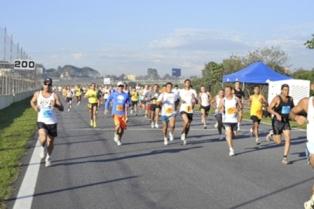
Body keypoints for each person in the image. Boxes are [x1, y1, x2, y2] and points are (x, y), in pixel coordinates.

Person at [30, 78, 64, 167]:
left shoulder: (54, 95)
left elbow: (62, 108)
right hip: (42, 120)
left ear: (51, 85)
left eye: (49, 84)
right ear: (43, 84)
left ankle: (48, 157)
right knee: (43, 137)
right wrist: (35, 108)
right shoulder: (38, 94)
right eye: (45, 84)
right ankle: (42, 148)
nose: (47, 86)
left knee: (51, 142)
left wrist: (56, 105)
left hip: (52, 122)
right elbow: (32, 102)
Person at [289, 96, 314, 209]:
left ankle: (311, 201)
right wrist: (297, 117)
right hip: (312, 145)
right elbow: (291, 113)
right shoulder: (306, 102)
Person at [266, 84, 295, 164]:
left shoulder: (290, 99)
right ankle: (271, 134)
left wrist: (295, 116)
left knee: (288, 139)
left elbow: (293, 109)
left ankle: (285, 158)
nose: (287, 91)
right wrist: (276, 114)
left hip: (285, 121)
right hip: (277, 121)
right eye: (285, 90)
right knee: (278, 142)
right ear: (281, 90)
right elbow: (269, 108)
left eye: (288, 90)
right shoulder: (277, 98)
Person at [105, 82, 130, 146]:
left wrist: (127, 116)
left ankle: (119, 139)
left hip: (123, 114)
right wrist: (106, 108)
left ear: (123, 87)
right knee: (118, 125)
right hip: (115, 113)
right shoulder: (113, 94)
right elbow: (108, 101)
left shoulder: (126, 95)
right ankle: (116, 135)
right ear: (117, 87)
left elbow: (127, 105)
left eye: (122, 86)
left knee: (122, 129)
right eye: (119, 86)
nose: (120, 87)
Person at [219, 86, 242, 156]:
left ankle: (229, 138)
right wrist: (221, 109)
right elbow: (219, 108)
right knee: (228, 133)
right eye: (225, 91)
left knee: (233, 135)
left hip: (234, 120)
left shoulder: (236, 98)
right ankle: (231, 149)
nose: (226, 92)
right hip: (226, 119)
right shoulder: (223, 100)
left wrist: (237, 109)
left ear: (231, 91)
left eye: (228, 91)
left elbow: (241, 106)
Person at [179, 79, 197, 145]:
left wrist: (194, 99)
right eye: (186, 83)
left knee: (188, 125)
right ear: (184, 84)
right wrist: (181, 101)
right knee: (186, 121)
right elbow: (180, 99)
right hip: (183, 107)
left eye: (189, 83)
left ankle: (185, 136)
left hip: (190, 108)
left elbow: (196, 100)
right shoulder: (181, 91)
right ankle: (182, 132)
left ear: (190, 83)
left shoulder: (193, 91)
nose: (187, 84)